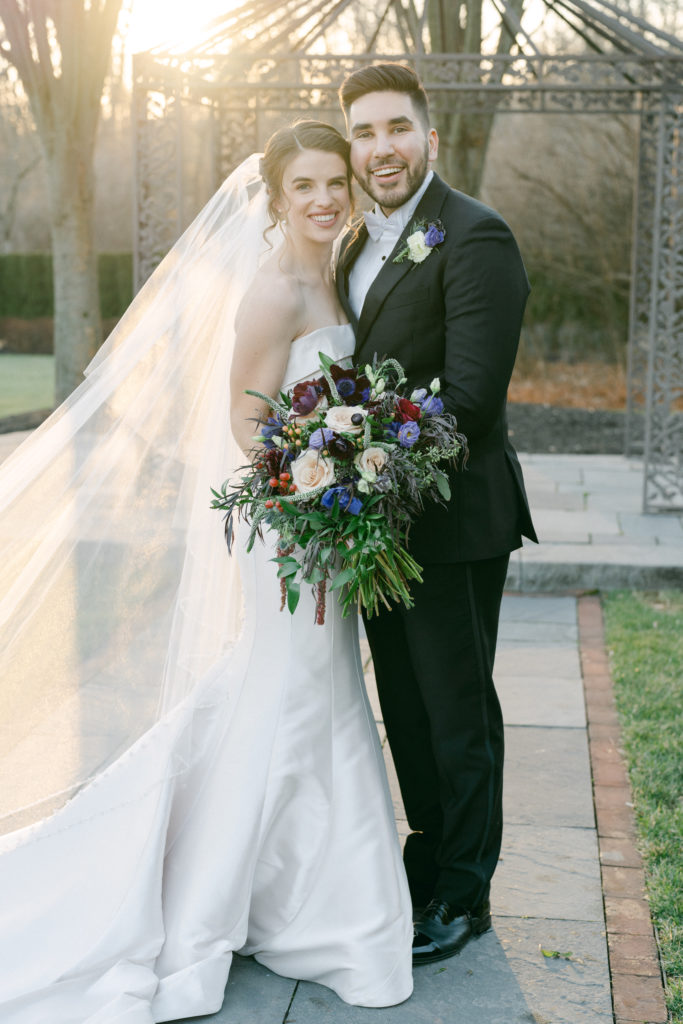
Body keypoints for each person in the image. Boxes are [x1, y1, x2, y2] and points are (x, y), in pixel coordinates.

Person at [0, 121, 413, 1023]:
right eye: (303, 185)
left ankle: (299, 894)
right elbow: (242, 413)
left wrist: (353, 455)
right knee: (296, 694)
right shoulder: (272, 290)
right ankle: (267, 905)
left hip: (320, 520)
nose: (324, 198)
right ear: (272, 199)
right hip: (291, 522)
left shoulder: (330, 270)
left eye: (334, 181)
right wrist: (317, 476)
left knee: (311, 691)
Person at [336, 63, 538, 965]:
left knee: (457, 712)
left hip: (451, 524)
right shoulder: (353, 242)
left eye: (395, 129)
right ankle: (428, 858)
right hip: (373, 525)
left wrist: (367, 466)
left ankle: (467, 894)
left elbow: (470, 398)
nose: (381, 149)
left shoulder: (474, 236)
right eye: (365, 134)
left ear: (428, 135)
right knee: (406, 711)